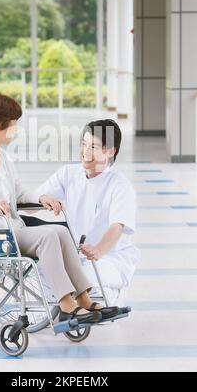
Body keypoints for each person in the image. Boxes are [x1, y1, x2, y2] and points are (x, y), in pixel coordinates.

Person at [0, 93, 118, 323]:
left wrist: (40, 197)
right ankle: (66, 304)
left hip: (12, 229)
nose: (16, 129)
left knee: (61, 232)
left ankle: (84, 299)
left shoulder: (3, 158)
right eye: (13, 124)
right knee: (47, 236)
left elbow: (18, 192)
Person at [36, 119, 140, 306]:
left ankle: (111, 296)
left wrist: (98, 249)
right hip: (75, 257)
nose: (85, 152)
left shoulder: (120, 185)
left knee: (84, 279)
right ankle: (76, 300)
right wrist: (44, 198)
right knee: (39, 273)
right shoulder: (68, 174)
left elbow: (117, 226)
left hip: (110, 258)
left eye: (94, 146)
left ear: (110, 151)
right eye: (84, 144)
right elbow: (38, 194)